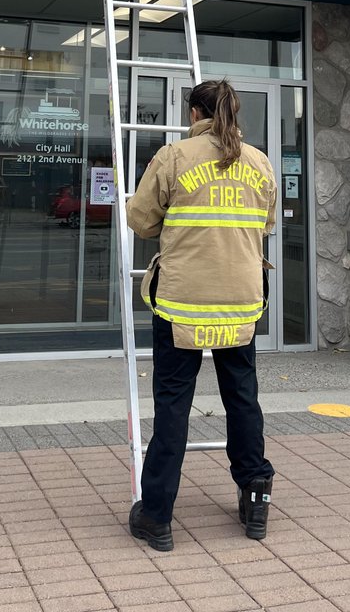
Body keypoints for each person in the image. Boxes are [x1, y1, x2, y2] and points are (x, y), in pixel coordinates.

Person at [126, 80, 278, 551]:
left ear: (195, 113)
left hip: (182, 305)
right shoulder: (260, 162)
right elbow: (266, 224)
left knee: (172, 405)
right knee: (242, 399)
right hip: (240, 303)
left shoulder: (174, 158)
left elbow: (140, 218)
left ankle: (157, 517)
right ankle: (256, 499)